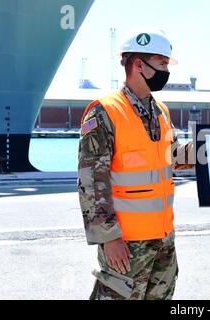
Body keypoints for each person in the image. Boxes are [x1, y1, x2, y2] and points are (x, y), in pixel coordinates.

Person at [78, 29, 193, 300]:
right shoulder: (105, 111)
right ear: (139, 65)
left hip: (163, 241)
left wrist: (207, 146)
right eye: (162, 64)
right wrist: (108, 238)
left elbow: (171, 157)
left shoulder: (161, 111)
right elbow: (92, 182)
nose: (167, 71)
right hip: (126, 246)